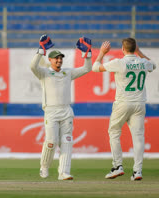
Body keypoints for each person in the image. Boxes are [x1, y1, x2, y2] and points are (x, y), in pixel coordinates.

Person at [92, 38, 156, 181]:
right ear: (135, 48)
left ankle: (117, 166)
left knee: (114, 132)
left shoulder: (119, 62)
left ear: (123, 49)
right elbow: (154, 65)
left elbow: (95, 68)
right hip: (139, 104)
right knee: (138, 137)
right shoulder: (143, 62)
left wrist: (102, 53)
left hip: (122, 103)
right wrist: (139, 52)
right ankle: (137, 171)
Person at [30, 35, 92, 180]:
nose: (59, 60)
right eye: (56, 58)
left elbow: (87, 68)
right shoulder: (44, 73)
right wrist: (41, 51)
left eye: (60, 58)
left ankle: (63, 172)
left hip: (66, 111)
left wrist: (87, 54)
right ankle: (44, 167)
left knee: (67, 141)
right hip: (51, 111)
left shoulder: (67, 73)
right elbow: (32, 66)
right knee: (51, 142)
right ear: (50, 60)